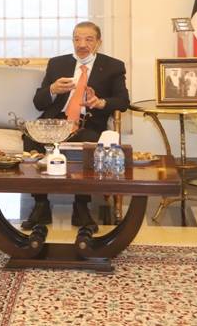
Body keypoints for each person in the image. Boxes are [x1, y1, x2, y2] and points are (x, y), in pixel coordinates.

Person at [22, 21, 130, 231]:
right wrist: (52, 89)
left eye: (88, 39)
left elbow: (123, 101)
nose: (82, 44)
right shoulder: (57, 64)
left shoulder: (113, 66)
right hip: (56, 121)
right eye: (77, 39)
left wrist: (100, 103)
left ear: (98, 42)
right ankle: (41, 204)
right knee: (31, 137)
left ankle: (81, 206)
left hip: (87, 123)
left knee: (88, 143)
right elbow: (38, 102)